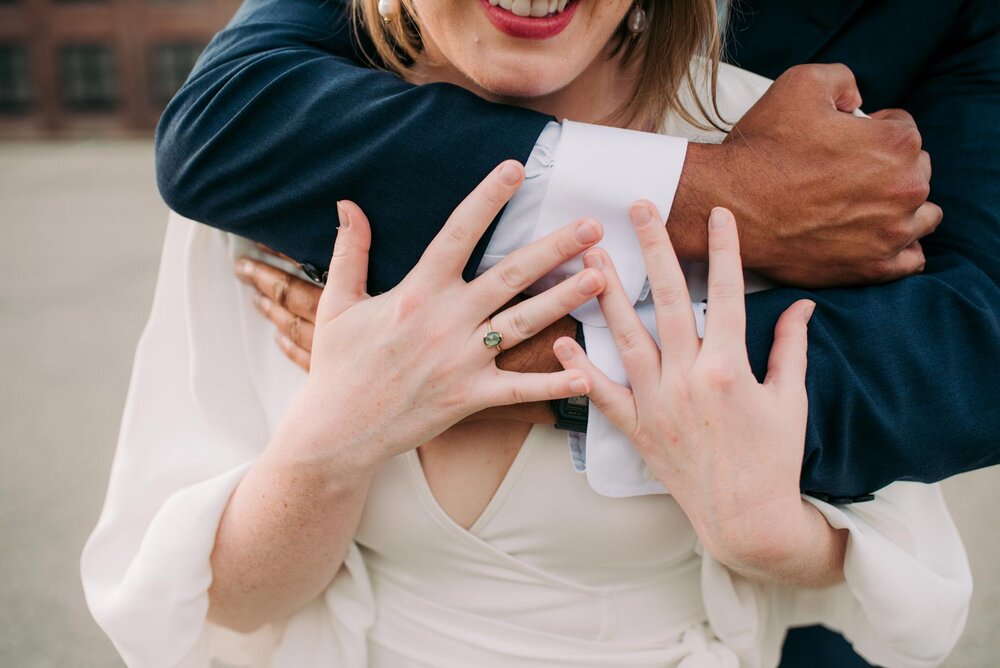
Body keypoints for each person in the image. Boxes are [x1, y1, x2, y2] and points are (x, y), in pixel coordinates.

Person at [84, 1, 972, 666]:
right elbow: (229, 603)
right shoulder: (278, 175)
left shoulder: (787, 163)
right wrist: (332, 441)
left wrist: (768, 534)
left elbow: (905, 587)